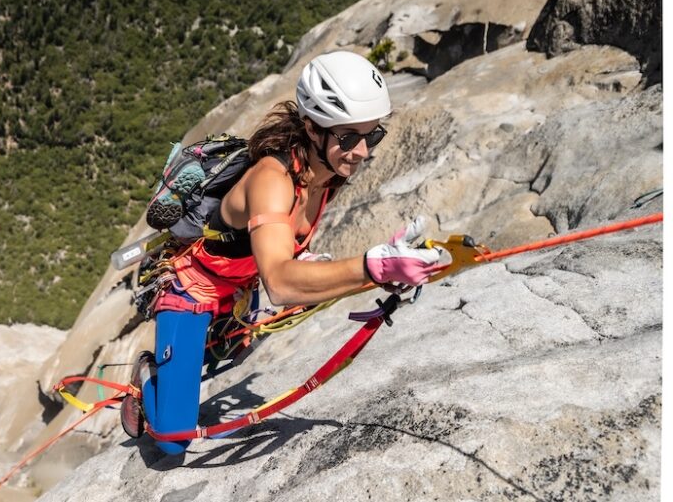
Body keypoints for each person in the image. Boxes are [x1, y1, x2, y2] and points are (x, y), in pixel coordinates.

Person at [121, 50, 450, 454]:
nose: (362, 151)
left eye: (372, 135)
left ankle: (193, 360)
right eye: (349, 137)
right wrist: (373, 268)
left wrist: (388, 269)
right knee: (173, 440)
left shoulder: (327, 171)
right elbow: (279, 280)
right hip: (196, 287)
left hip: (243, 285)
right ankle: (148, 375)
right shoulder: (273, 180)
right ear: (312, 128)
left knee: (224, 356)